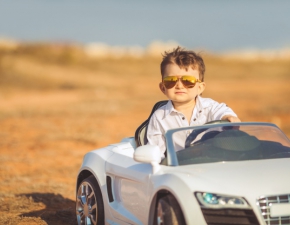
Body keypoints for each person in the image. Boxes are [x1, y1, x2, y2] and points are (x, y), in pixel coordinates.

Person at [147, 46, 241, 157]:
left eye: (188, 81)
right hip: (179, 168)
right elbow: (155, 153)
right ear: (163, 88)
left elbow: (222, 111)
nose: (179, 85)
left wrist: (228, 117)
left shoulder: (209, 107)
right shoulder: (159, 117)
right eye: (171, 81)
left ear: (200, 87)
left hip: (213, 163)